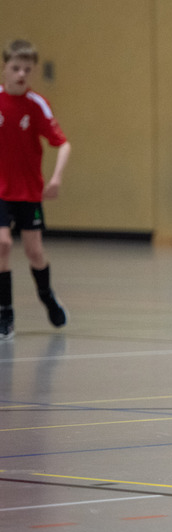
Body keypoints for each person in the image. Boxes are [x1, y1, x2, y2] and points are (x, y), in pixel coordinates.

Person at [0, 39, 71, 340]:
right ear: (4, 68)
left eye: (27, 70)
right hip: (1, 191)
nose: (20, 75)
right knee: (2, 245)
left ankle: (46, 295)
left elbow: (63, 143)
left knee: (34, 251)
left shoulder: (37, 105)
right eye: (15, 68)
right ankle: (6, 313)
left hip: (29, 191)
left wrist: (55, 179)